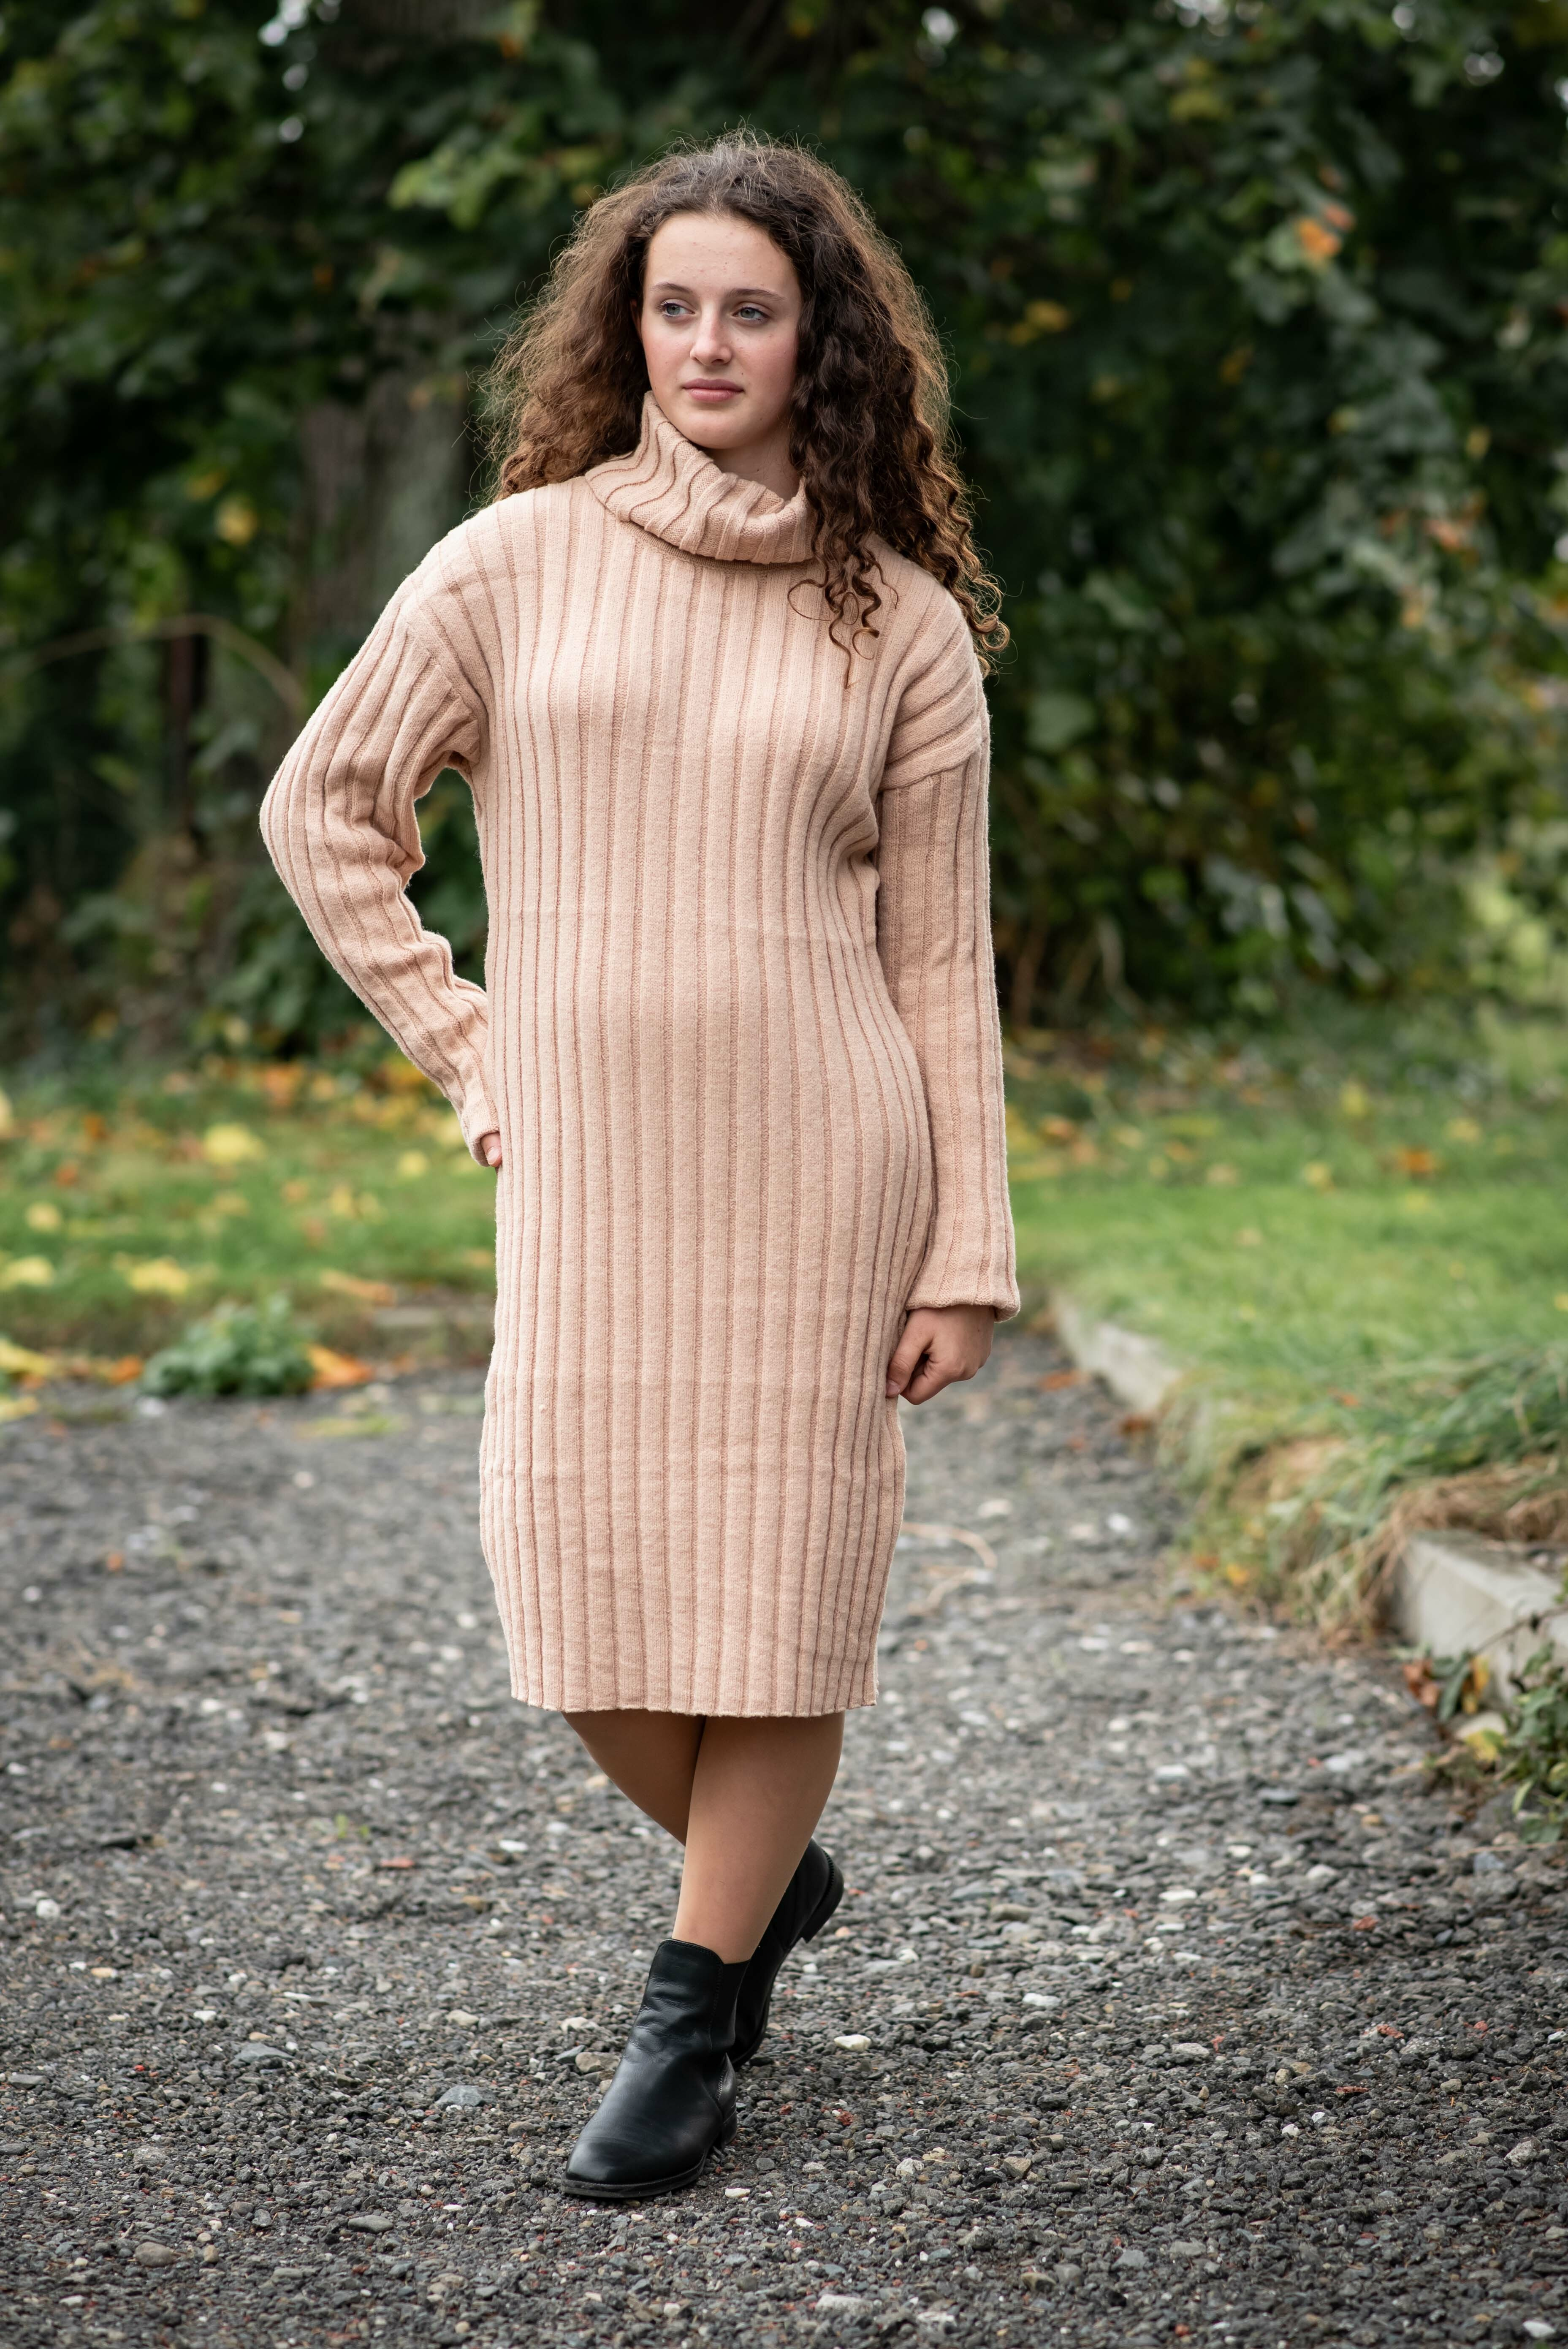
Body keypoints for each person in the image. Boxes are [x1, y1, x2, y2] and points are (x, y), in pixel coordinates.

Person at [260, 133, 1018, 2201]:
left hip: (825, 1161)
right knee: (577, 1593)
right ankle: (760, 1875)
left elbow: (937, 961)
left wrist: (964, 1248)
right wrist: (467, 1036)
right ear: (626, 325)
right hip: (592, 1167)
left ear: (816, 341)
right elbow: (326, 808)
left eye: (748, 310)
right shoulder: (513, 560)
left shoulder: (899, 624)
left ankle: (688, 2013)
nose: (705, 342)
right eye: (671, 304)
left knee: (776, 1598)